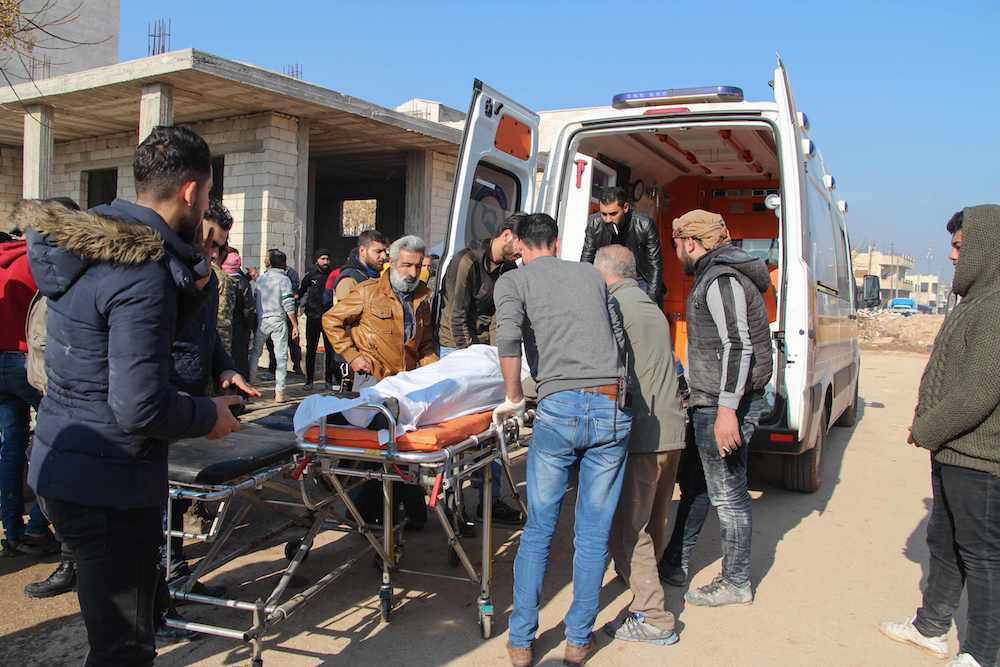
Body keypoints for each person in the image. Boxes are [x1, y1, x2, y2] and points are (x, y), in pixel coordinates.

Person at [23, 125, 243, 666]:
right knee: (124, 648)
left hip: (68, 465)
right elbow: (138, 403)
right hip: (111, 482)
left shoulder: (90, 243)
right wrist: (206, 415)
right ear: (192, 192)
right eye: (209, 192)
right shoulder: (140, 269)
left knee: (115, 635)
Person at [494, 213, 631, 667]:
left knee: (539, 528)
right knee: (592, 532)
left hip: (558, 407)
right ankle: (577, 640)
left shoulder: (513, 282)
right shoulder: (592, 275)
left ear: (520, 247)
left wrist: (514, 398)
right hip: (610, 405)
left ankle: (521, 641)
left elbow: (508, 340)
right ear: (556, 241)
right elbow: (618, 339)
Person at [879, 206, 1000, 667]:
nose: (951, 256)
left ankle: (983, 653)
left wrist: (926, 428)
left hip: (980, 460)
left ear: (985, 250)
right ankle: (931, 628)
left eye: (958, 246)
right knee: (943, 543)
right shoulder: (976, 300)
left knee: (983, 559)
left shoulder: (996, 307)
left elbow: (979, 391)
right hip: (953, 453)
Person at [664, 209, 772, 608]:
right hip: (708, 400)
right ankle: (674, 562)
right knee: (695, 485)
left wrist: (727, 411)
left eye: (677, 244)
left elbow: (737, 346)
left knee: (728, 493)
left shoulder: (722, 279)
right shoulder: (718, 274)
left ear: (691, 242)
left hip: (724, 405)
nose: (675, 252)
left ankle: (736, 580)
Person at [594, 245, 686, 646]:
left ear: (606, 274)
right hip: (671, 430)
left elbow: (604, 366)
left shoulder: (613, 307)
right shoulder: (649, 305)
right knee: (654, 518)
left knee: (631, 528)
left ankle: (654, 616)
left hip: (644, 435)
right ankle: (639, 579)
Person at [437, 213, 523, 525]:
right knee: (457, 429)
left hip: (487, 349)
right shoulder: (467, 262)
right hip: (457, 347)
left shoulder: (510, 268)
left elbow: (504, 316)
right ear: (506, 235)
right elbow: (456, 314)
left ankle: (489, 498)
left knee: (495, 424)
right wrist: (470, 359)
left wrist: (502, 357)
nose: (522, 250)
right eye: (520, 242)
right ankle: (452, 501)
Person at [0, 219, 59, 557]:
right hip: (28, 363)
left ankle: (12, 528)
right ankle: (38, 524)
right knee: (50, 441)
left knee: (11, 447)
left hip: (0, 364)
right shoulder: (35, 261)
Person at [323, 235, 438, 387]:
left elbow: (425, 344)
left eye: (418, 266)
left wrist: (436, 372)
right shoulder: (367, 292)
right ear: (392, 263)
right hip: (372, 378)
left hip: (406, 382)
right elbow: (331, 320)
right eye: (407, 265)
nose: (413, 273)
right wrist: (352, 356)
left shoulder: (422, 298)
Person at [580, 186, 664, 304]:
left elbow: (655, 265)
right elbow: (586, 259)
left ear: (625, 208)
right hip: (608, 276)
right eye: (604, 214)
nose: (608, 219)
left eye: (613, 214)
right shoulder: (594, 223)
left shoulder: (644, 224)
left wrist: (651, 301)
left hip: (639, 279)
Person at [250, 249, 300, 403]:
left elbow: (256, 298)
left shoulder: (261, 279)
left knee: (255, 354)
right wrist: (295, 325)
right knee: (281, 357)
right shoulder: (283, 280)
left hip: (262, 320)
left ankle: (249, 386)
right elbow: (288, 302)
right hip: (278, 320)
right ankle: (280, 393)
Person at [298, 248, 334, 390]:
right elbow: (301, 293)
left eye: (327, 259)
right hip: (312, 317)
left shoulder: (333, 275)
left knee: (330, 350)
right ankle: (309, 380)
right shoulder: (310, 276)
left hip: (329, 318)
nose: (325, 262)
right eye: (322, 259)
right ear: (317, 260)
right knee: (311, 349)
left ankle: (329, 380)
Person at [265, 249, 303, 377]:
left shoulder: (290, 273)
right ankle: (273, 369)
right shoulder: (266, 274)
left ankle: (297, 366)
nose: (266, 260)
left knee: (293, 341)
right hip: (273, 314)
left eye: (267, 257)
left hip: (288, 313)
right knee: (272, 343)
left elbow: (294, 293)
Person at [221, 248, 257, 379]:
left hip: (222, 324)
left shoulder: (219, 279)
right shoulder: (242, 282)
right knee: (240, 356)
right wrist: (250, 325)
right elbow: (248, 308)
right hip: (239, 325)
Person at [332, 229, 388, 303]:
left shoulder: (377, 275)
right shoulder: (349, 280)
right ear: (362, 251)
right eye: (378, 251)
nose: (384, 256)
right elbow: (345, 313)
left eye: (385, 251)